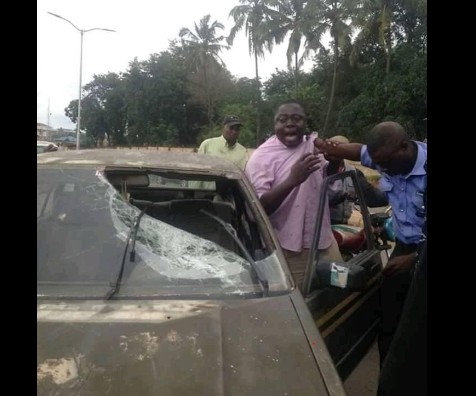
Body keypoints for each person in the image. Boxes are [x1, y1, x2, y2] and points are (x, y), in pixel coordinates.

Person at [314, 121, 427, 365]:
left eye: (386, 164)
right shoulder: (385, 155)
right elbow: (357, 151)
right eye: (378, 164)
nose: (382, 168)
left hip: (421, 254)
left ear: (404, 147)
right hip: (404, 247)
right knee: (389, 319)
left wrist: (415, 259)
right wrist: (328, 146)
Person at [245, 100, 342, 292]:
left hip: (324, 241)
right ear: (274, 125)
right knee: (301, 303)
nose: (290, 123)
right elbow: (257, 211)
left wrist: (334, 163)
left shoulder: (313, 147)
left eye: (296, 119)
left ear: (305, 124)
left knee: (340, 290)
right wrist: (292, 180)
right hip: (288, 248)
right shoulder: (260, 158)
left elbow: (328, 187)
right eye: (282, 120)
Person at [377, 160, 427, 396]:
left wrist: (414, 257)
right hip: (404, 251)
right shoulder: (389, 162)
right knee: (389, 324)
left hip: (417, 258)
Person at [325, 135, 388, 226]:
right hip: (322, 226)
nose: (335, 154)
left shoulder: (353, 173)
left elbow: (373, 197)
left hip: (343, 226)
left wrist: (390, 192)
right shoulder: (317, 171)